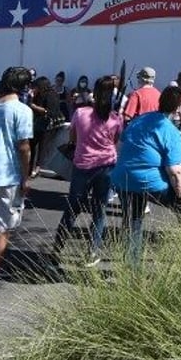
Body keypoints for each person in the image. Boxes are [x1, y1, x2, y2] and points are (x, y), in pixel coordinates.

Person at [110, 85, 181, 269]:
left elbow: (121, 144)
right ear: (178, 108)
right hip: (149, 181)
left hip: (123, 177)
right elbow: (175, 171)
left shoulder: (139, 121)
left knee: (133, 221)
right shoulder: (170, 130)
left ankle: (131, 269)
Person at [54, 76, 123, 266]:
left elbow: (73, 138)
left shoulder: (80, 113)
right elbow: (115, 142)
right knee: (99, 210)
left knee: (72, 208)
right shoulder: (116, 118)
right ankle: (92, 251)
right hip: (107, 165)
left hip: (83, 165)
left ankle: (57, 248)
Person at [0, 67, 34, 279]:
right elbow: (23, 146)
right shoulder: (22, 111)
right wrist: (26, 175)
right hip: (11, 174)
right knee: (5, 222)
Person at [28, 75, 62, 178]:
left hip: (48, 124)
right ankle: (30, 167)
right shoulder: (37, 95)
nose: (34, 89)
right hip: (38, 123)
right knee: (32, 144)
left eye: (36, 87)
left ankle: (37, 168)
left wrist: (34, 106)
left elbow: (49, 112)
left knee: (42, 146)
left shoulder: (51, 95)